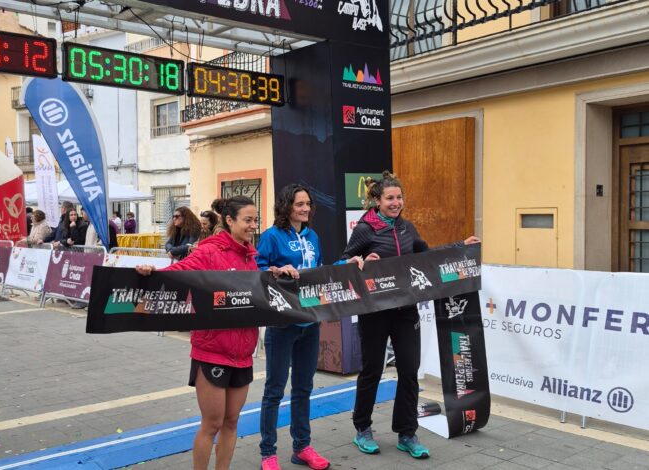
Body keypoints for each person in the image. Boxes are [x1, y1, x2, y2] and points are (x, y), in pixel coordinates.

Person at [341, 172, 480, 460]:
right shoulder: (366, 229)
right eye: (390, 198)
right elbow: (345, 263)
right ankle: (363, 429)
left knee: (408, 370)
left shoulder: (407, 228)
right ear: (377, 201)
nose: (396, 203)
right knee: (372, 371)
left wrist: (460, 247)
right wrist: (362, 262)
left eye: (399, 198)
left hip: (405, 311)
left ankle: (407, 433)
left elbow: (428, 257)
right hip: (375, 312)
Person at [136, 196, 274, 470]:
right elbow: (178, 273)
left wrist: (275, 274)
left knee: (232, 422)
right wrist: (152, 272)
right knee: (212, 423)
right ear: (230, 221)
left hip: (243, 352)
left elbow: (255, 293)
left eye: (255, 220)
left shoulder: (250, 256)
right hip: (212, 351)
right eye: (248, 220)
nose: (253, 226)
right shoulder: (209, 252)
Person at [256, 184, 329, 470]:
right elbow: (257, 270)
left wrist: (350, 263)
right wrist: (275, 270)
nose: (306, 209)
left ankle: (302, 448)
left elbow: (320, 270)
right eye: (300, 204)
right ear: (287, 206)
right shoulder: (271, 237)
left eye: (308, 204)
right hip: (282, 323)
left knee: (303, 388)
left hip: (310, 322)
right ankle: (268, 453)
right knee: (274, 390)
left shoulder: (314, 236)